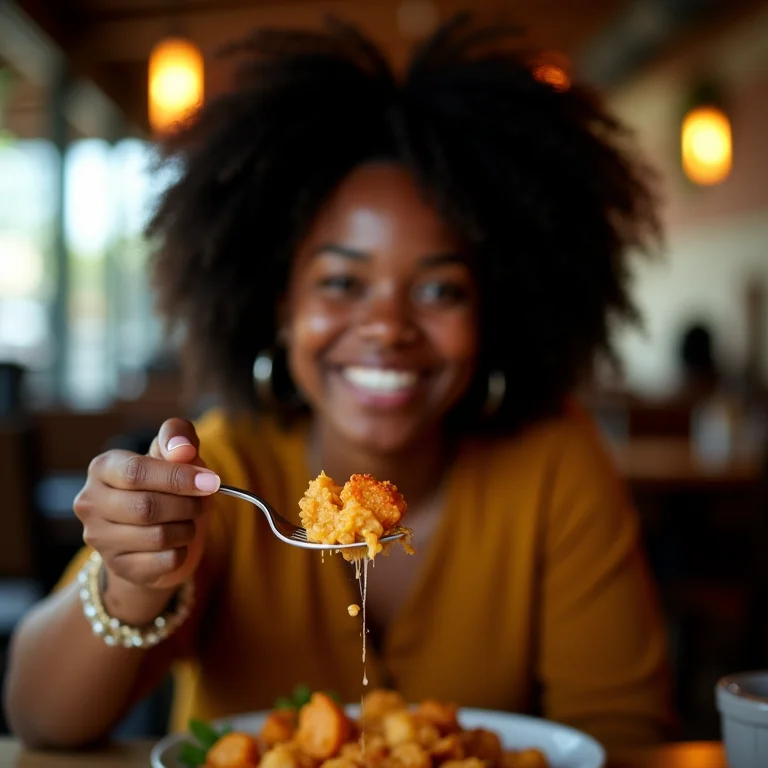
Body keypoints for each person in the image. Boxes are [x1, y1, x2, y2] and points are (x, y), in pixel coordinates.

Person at [3, 14, 675, 756]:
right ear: (279, 307)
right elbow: (38, 722)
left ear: (496, 311)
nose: (387, 326)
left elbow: (622, 736)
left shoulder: (555, 468)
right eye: (342, 281)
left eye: (441, 291)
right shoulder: (217, 473)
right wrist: (131, 581)